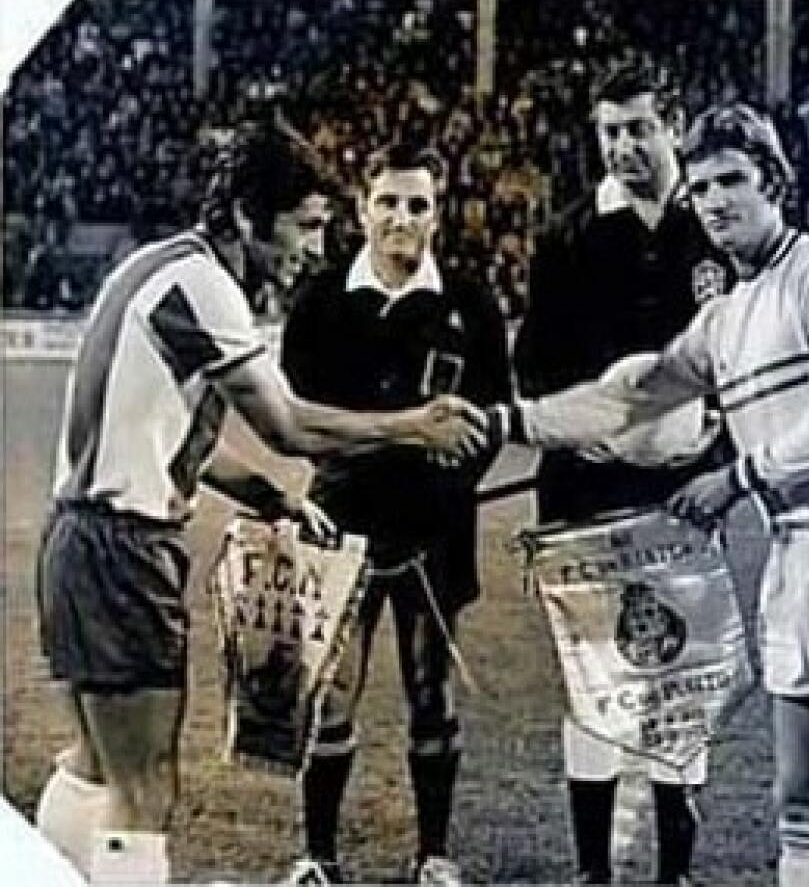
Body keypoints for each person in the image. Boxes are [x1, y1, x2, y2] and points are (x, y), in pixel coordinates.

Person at [490, 103, 809, 887]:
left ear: (774, 182)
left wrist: (733, 479)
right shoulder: (724, 318)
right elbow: (627, 399)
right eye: (700, 188)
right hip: (797, 554)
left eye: (732, 180)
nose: (714, 201)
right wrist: (513, 421)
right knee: (798, 801)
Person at [33, 125, 488, 886]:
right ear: (248, 216)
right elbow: (290, 427)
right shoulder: (207, 287)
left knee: (93, 764)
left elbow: (184, 439)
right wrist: (413, 424)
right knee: (146, 787)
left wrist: (272, 496)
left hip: (76, 543)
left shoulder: (157, 265)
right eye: (304, 226)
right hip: (123, 551)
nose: (315, 246)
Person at [512, 58, 735, 886]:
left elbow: (749, 356)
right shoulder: (567, 236)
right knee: (594, 683)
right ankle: (592, 874)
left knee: (681, 676)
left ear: (673, 124)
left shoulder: (713, 227)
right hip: (587, 489)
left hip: (683, 491)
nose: (623, 146)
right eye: (610, 131)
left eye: (639, 128)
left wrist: (718, 436)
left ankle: (675, 873)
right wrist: (586, 432)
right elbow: (534, 367)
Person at [280, 139, 511, 886]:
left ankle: (434, 857)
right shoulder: (319, 300)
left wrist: (455, 465)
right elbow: (301, 419)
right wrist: (402, 435)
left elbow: (492, 417)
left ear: (438, 214)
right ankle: (318, 858)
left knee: (430, 693)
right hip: (338, 528)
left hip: (435, 533)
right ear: (362, 207)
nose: (401, 218)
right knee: (332, 693)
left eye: (418, 205)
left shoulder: (471, 302)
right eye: (388, 202)